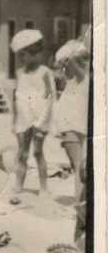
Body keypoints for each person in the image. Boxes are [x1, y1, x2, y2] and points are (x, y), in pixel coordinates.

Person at [10, 29, 54, 199]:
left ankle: (43, 187)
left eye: (25, 55)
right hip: (23, 117)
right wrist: (14, 121)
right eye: (20, 55)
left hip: (39, 117)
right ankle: (19, 184)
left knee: (37, 152)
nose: (22, 59)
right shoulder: (20, 73)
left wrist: (41, 121)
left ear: (35, 53)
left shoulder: (44, 72)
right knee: (22, 152)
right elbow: (16, 97)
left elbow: (50, 98)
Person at [54, 40, 89, 204]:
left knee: (81, 170)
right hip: (71, 129)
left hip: (75, 129)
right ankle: (80, 207)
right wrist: (69, 56)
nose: (62, 69)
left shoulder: (82, 79)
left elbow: (73, 61)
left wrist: (68, 57)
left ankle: (81, 204)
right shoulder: (79, 80)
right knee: (79, 169)